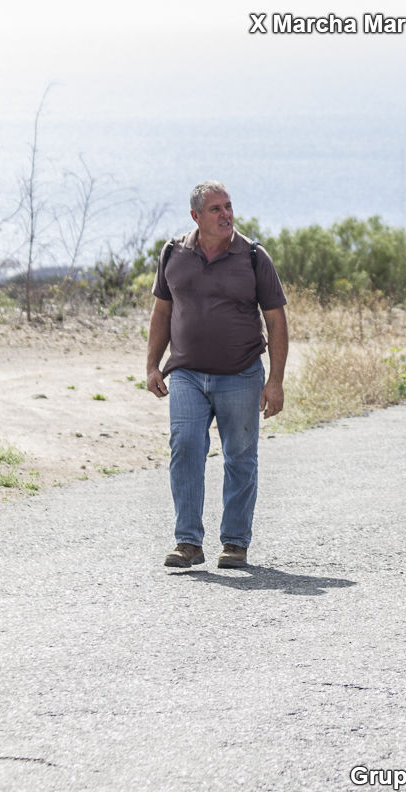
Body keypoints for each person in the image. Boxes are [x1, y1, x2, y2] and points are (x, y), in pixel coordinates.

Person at [147, 181, 288, 570]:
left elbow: (276, 321)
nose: (226, 214)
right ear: (195, 216)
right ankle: (188, 541)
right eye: (215, 209)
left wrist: (274, 381)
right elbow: (162, 312)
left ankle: (235, 542)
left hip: (240, 374)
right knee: (186, 448)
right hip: (187, 374)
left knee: (239, 457)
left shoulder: (254, 256)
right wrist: (151, 365)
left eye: (228, 206)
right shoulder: (173, 253)